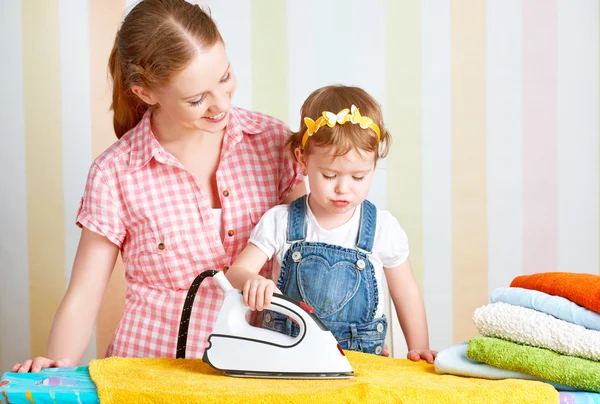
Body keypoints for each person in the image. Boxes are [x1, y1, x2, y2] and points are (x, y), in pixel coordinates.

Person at [13, 0, 304, 373]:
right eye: (197, 99)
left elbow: (311, 248)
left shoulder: (273, 142)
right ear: (146, 93)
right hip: (151, 374)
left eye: (225, 78)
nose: (220, 105)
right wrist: (54, 369)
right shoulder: (114, 173)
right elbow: (83, 297)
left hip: (263, 372)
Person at [226, 85, 436, 362]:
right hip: (286, 358)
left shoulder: (383, 228)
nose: (343, 189)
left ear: (373, 165)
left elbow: (406, 292)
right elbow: (236, 272)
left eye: (358, 177)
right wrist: (252, 280)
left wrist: (418, 346)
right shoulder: (281, 220)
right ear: (302, 161)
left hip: (361, 362)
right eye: (329, 175)